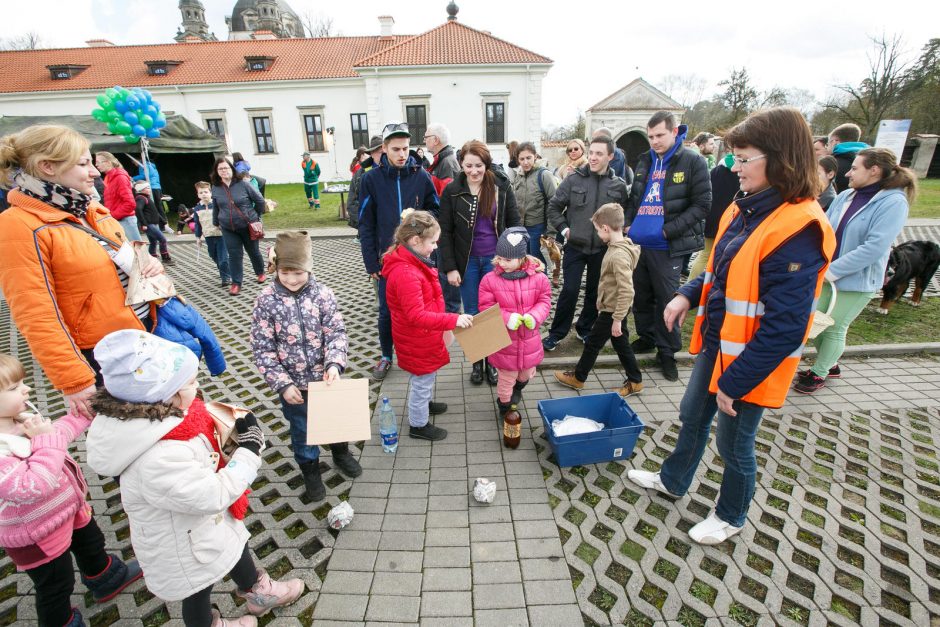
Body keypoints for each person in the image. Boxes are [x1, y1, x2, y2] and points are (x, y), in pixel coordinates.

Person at [627, 107, 836, 545]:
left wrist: (734, 381)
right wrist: (687, 292)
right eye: (733, 158)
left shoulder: (799, 228)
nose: (734, 168)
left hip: (750, 362)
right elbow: (720, 270)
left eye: (743, 159)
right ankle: (674, 480)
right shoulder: (744, 209)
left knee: (734, 443)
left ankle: (731, 515)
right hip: (719, 344)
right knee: (690, 416)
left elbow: (785, 328)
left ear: (781, 160)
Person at [86, 330, 304, 627]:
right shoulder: (158, 456)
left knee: (234, 546)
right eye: (190, 382)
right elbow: (213, 494)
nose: (198, 386)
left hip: (203, 527)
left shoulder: (164, 419)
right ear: (165, 394)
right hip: (183, 545)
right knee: (197, 590)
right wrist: (249, 450)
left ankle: (258, 593)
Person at [0, 124, 164, 419]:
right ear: (47, 166)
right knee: (134, 443)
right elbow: (36, 314)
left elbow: (117, 261)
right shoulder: (18, 225)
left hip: (141, 337)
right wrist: (75, 380)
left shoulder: (87, 208)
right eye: (83, 164)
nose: (95, 172)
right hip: (102, 358)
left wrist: (148, 263)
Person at [0, 353, 143, 627]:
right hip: (37, 534)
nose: (26, 389)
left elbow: (58, 433)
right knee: (56, 585)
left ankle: (105, 577)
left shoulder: (21, 419)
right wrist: (44, 441)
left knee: (92, 544)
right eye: (14, 387)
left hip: (69, 509)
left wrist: (87, 411)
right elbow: (34, 485)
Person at [795, 147, 914, 394]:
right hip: (828, 274)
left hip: (857, 280)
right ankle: (831, 363)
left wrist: (832, 270)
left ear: (874, 170)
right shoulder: (847, 195)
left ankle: (819, 373)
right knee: (816, 323)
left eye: (855, 168)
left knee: (834, 326)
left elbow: (874, 247)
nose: (848, 173)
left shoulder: (893, 202)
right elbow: (826, 228)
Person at [251, 231, 360, 501]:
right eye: (285, 272)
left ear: (309, 268)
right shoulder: (266, 300)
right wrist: (283, 383)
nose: (291, 279)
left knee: (335, 420)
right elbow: (262, 347)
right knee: (301, 429)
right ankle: (310, 470)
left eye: (298, 273)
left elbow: (336, 333)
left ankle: (340, 452)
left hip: (326, 379)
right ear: (276, 268)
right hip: (293, 386)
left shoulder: (323, 294)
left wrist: (334, 364)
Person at [625, 111, 711, 381]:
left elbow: (702, 204)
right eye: (650, 136)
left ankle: (667, 352)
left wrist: (667, 230)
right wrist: (628, 224)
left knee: (667, 299)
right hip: (639, 244)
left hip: (668, 246)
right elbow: (634, 197)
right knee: (641, 296)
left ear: (675, 132)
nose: (654, 141)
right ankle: (647, 337)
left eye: (660, 135)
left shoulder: (692, 161)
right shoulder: (644, 161)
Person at [358, 122, 440, 382]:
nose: (402, 154)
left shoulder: (420, 175)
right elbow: (365, 223)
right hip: (388, 260)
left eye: (405, 148)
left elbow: (435, 211)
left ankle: (418, 357)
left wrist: (418, 218)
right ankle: (385, 355)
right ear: (384, 149)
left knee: (419, 309)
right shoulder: (371, 178)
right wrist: (372, 263)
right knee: (386, 310)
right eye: (395, 149)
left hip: (418, 259)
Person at [383, 210, 474, 442]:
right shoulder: (406, 273)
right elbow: (416, 315)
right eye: (432, 242)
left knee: (426, 376)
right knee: (421, 382)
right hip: (417, 337)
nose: (435, 247)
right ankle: (418, 424)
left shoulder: (412, 261)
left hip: (423, 335)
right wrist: (452, 319)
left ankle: (424, 405)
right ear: (415, 241)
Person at [438, 140, 521, 385]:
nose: (474, 171)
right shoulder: (452, 191)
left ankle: (493, 364)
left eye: (479, 166)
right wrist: (451, 267)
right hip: (467, 263)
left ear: (487, 164)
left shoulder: (500, 186)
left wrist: (516, 256)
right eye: (468, 166)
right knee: (472, 313)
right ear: (461, 164)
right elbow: (446, 232)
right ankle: (477, 362)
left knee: (493, 313)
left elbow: (515, 223)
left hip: (496, 261)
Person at [543, 135, 629, 351]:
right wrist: (564, 229)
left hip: (602, 250)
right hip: (575, 246)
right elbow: (553, 207)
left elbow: (623, 215)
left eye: (599, 154)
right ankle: (556, 333)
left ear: (610, 156)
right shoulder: (573, 180)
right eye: (591, 152)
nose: (592, 157)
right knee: (570, 291)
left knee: (594, 292)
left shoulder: (618, 186)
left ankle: (584, 328)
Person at [554, 202, 644, 396]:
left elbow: (627, 290)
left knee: (593, 343)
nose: (597, 235)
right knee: (621, 343)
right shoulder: (616, 246)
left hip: (613, 310)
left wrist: (618, 318)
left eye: (597, 230)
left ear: (605, 228)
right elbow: (610, 282)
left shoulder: (618, 254)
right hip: (610, 306)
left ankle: (578, 378)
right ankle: (635, 380)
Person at [478, 227, 552, 419]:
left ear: (521, 257)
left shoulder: (539, 278)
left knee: (526, 374)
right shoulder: (489, 280)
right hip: (505, 343)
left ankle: (518, 389)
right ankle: (504, 406)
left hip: (529, 340)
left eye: (507, 259)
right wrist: (507, 318)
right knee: (506, 379)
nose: (502, 263)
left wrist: (535, 316)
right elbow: (486, 307)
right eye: (499, 258)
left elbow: (544, 301)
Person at [210, 157, 266, 296]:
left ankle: (260, 272)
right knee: (234, 255)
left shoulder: (243, 184)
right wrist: (215, 222)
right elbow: (216, 206)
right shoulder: (216, 187)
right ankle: (236, 283)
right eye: (220, 169)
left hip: (248, 225)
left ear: (232, 169)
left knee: (253, 251)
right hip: (228, 227)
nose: (224, 171)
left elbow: (259, 200)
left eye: (226, 168)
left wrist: (257, 217)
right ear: (217, 172)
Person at [688, 153, 740, 280]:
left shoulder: (717, 170)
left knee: (704, 255)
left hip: (711, 217)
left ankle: (690, 285)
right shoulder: (740, 172)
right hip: (730, 219)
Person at [511, 141, 557, 266]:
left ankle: (540, 286)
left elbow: (555, 204)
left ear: (535, 156)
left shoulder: (544, 175)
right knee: (523, 263)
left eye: (528, 158)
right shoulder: (518, 176)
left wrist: (551, 232)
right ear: (518, 160)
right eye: (522, 159)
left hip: (538, 228)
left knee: (538, 264)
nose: (525, 162)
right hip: (521, 228)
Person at [95, 151, 140, 242]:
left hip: (125, 220)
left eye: (98, 162)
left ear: (108, 162)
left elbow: (130, 203)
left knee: (137, 251)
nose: (96, 165)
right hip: (119, 220)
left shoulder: (120, 177)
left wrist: (112, 215)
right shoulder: (109, 178)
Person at [192, 180, 231, 287]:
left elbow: (226, 217)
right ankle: (226, 271)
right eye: (201, 193)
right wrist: (198, 237)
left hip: (221, 235)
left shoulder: (217, 205)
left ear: (211, 193)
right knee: (213, 255)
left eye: (206, 192)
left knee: (223, 258)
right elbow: (197, 224)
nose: (203, 195)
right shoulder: (197, 208)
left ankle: (226, 278)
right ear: (198, 194)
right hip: (208, 236)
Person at [348, 135, 383, 231]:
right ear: (372, 153)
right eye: (381, 152)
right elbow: (352, 203)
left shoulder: (394, 172)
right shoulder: (360, 175)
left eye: (386, 152)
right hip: (369, 229)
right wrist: (364, 225)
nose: (385, 155)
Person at [133, 181, 172, 264]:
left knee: (153, 242)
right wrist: (143, 224)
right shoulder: (141, 198)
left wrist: (163, 222)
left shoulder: (147, 198)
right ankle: (165, 258)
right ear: (141, 189)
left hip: (152, 224)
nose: (149, 189)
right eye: (147, 188)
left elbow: (155, 212)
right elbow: (138, 209)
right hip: (149, 225)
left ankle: (152, 257)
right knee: (163, 239)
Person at [828, 123, 869, 193]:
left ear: (835, 142)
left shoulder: (832, 164)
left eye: (828, 143)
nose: (827, 147)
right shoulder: (868, 161)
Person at [130, 156, 167, 231]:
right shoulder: (152, 166)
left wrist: (132, 178)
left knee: (153, 207)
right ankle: (163, 225)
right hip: (157, 187)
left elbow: (144, 175)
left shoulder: (143, 165)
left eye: (133, 162)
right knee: (159, 207)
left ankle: (158, 225)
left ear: (137, 160)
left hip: (151, 187)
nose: (134, 164)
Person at [424, 122, 460, 195]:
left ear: (436, 140)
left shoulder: (447, 164)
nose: (424, 141)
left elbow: (446, 201)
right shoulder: (442, 161)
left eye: (426, 137)